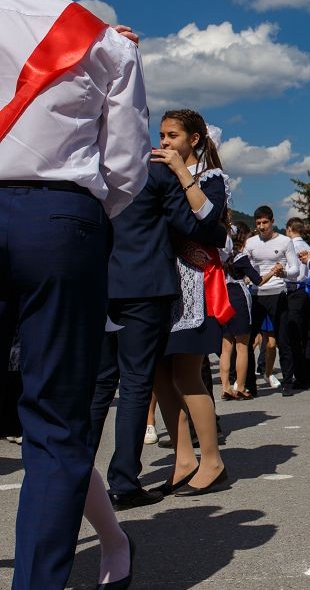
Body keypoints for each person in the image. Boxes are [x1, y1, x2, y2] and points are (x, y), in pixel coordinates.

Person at [0, 0, 149, 590]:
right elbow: (124, 167)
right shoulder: (107, 44)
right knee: (56, 424)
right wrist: (86, 216)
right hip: (61, 219)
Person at [90, 149, 227, 511]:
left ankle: (76, 473)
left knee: (102, 383)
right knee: (136, 382)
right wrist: (182, 175)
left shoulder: (94, 165)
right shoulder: (155, 172)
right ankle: (123, 481)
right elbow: (201, 226)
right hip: (145, 286)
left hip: (103, 283)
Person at [152, 109, 233, 496]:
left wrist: (182, 174)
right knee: (161, 374)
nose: (164, 142)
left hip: (195, 285)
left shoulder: (210, 178)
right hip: (161, 283)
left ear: (194, 140)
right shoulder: (157, 175)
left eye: (172, 136)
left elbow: (208, 218)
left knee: (187, 374)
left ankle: (212, 460)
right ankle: (183, 457)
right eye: (162, 136)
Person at [245, 206, 301, 394]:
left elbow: (295, 270)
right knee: (250, 340)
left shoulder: (285, 241)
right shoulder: (251, 243)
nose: (262, 227)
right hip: (256, 294)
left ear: (272, 221)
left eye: (265, 223)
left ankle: (287, 381)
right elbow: (246, 267)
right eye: (258, 223)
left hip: (278, 293)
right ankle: (250, 385)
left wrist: (282, 271)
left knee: (282, 339)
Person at [221, 222, 262, 399]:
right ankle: (241, 386)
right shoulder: (240, 258)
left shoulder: (220, 257)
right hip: (238, 296)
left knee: (226, 347)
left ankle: (225, 387)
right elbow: (257, 279)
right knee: (243, 346)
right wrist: (273, 272)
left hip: (223, 297)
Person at [285, 217, 310, 389]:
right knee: (307, 335)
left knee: (295, 335)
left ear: (289, 229)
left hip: (295, 291)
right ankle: (309, 375)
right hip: (309, 292)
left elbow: (291, 272)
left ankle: (300, 375)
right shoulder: (309, 248)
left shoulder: (291, 247)